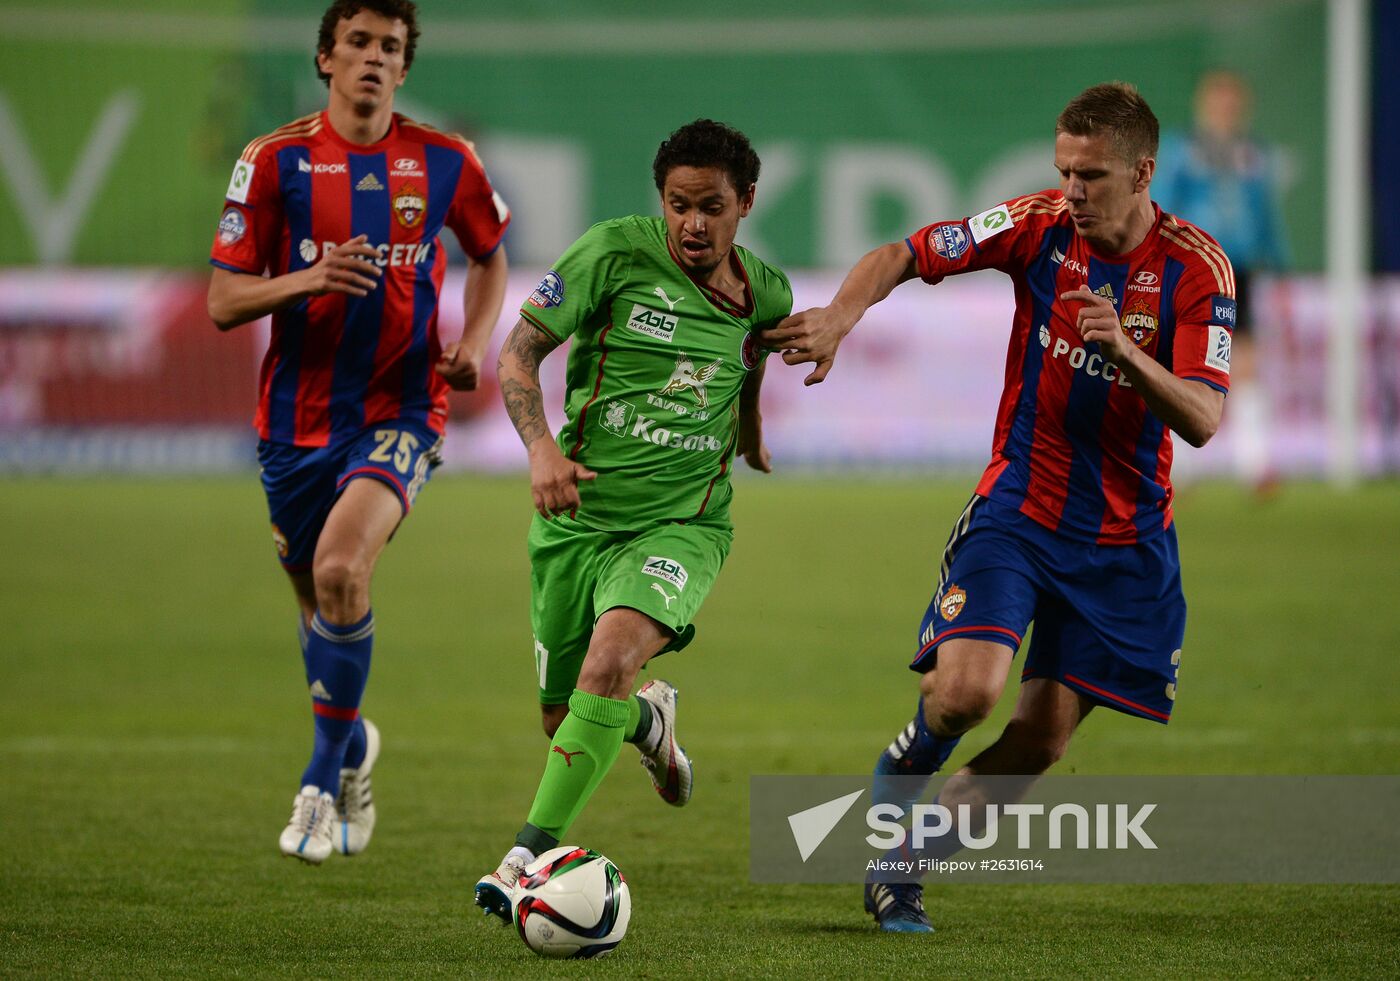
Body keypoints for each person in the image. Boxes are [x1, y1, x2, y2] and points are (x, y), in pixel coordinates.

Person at [762, 82, 1234, 932]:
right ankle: (916, 745)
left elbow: (1203, 417)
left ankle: (900, 869)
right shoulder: (1039, 224)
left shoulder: (1197, 271)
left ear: (1142, 172)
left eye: (1090, 174)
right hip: (1020, 507)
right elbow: (907, 250)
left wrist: (1125, 350)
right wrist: (839, 314)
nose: (1073, 190)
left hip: (1127, 541)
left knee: (1040, 743)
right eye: (1064, 170)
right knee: (967, 695)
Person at [206, 0, 510, 864]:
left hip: (404, 408)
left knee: (344, 568)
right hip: (295, 424)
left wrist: (474, 344)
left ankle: (315, 782)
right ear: (325, 59)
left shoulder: (446, 161)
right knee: (318, 605)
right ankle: (352, 748)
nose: (375, 58)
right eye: (359, 44)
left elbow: (490, 255)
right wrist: (305, 278)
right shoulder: (273, 161)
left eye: (390, 47)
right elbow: (225, 301)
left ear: (404, 68)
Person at [473, 119, 790, 921]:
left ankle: (525, 854)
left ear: (745, 203)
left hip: (683, 524)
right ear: (661, 199)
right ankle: (650, 716)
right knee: (565, 717)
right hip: (576, 521)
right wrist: (542, 450)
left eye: (711, 206)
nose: (693, 223)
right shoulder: (611, 252)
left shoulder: (767, 292)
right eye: (679, 204)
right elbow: (516, 354)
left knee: (608, 662)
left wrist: (749, 431)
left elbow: (750, 355)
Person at [1155, 70, 1289, 490]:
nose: (1226, 110)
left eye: (1232, 102)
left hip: (1239, 268)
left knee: (1244, 360)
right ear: (1204, 104)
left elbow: (1266, 212)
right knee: (1183, 357)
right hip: (1195, 264)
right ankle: (1178, 467)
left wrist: (1281, 265)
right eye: (1219, 101)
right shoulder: (1183, 149)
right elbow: (1163, 202)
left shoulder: (1253, 153)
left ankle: (1254, 463)